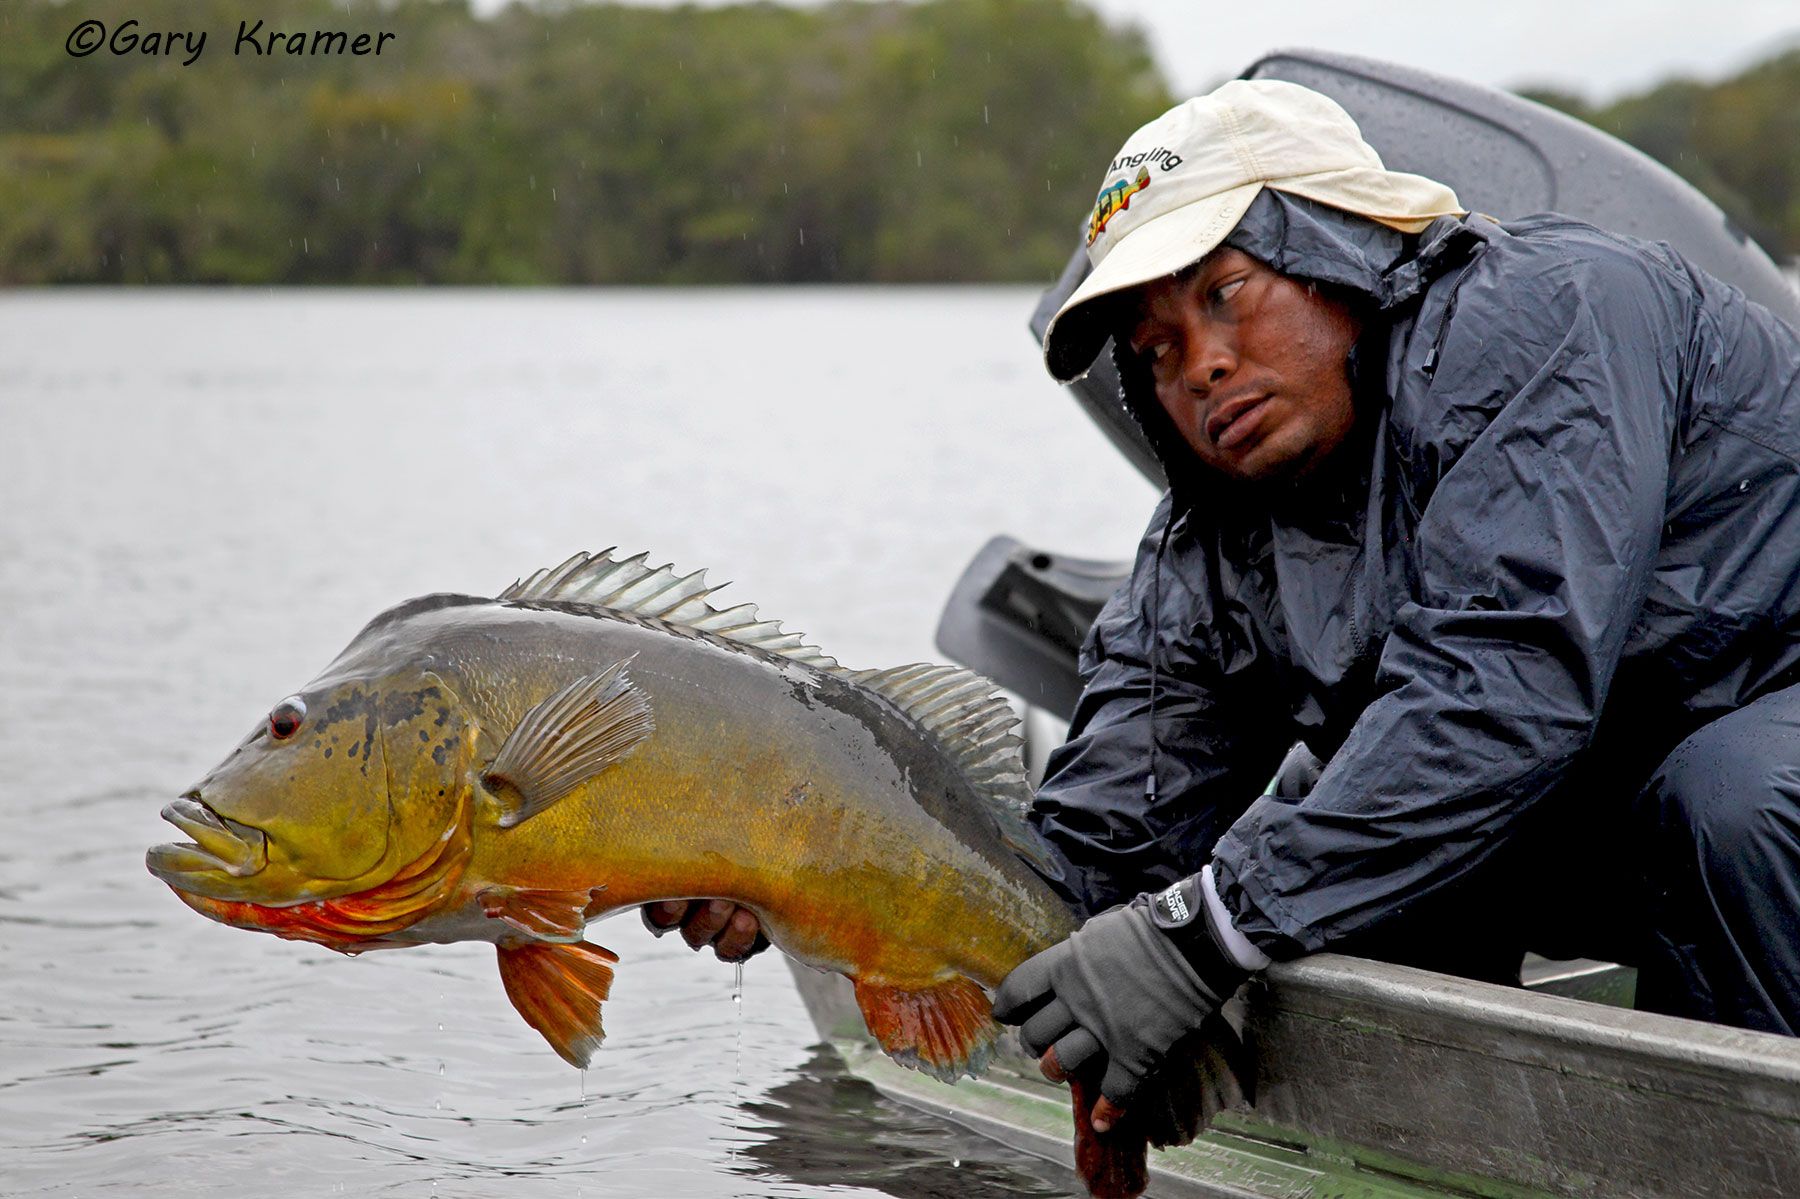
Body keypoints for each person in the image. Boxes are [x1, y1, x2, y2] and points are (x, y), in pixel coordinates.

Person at [651, 77, 1800, 1137]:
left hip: (1754, 741)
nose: (1200, 364)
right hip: (1601, 794)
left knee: (1729, 805)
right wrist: (806, 884)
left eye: (1227, 293)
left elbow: (1500, 693)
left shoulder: (1553, 312)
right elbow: (1094, 856)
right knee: (1341, 872)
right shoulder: (1207, 542)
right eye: (1155, 347)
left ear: (1341, 250)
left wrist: (1204, 930)